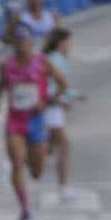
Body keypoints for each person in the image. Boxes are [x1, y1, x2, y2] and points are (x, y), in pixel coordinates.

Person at [0, 23, 67, 220]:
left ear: (32, 42)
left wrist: (49, 101)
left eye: (26, 41)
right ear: (14, 44)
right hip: (15, 121)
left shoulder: (42, 62)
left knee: (36, 172)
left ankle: (35, 152)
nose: (22, 45)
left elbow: (63, 84)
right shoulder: (6, 64)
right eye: (18, 41)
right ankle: (25, 209)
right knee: (16, 164)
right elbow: (0, 85)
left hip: (36, 121)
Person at [41, 27, 83, 200]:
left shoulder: (55, 59)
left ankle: (14, 164)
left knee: (47, 148)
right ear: (61, 42)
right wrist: (61, 101)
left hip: (53, 108)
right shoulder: (55, 60)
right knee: (63, 145)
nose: (70, 45)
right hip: (51, 109)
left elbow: (62, 85)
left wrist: (75, 95)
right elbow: (50, 86)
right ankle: (63, 187)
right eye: (69, 42)